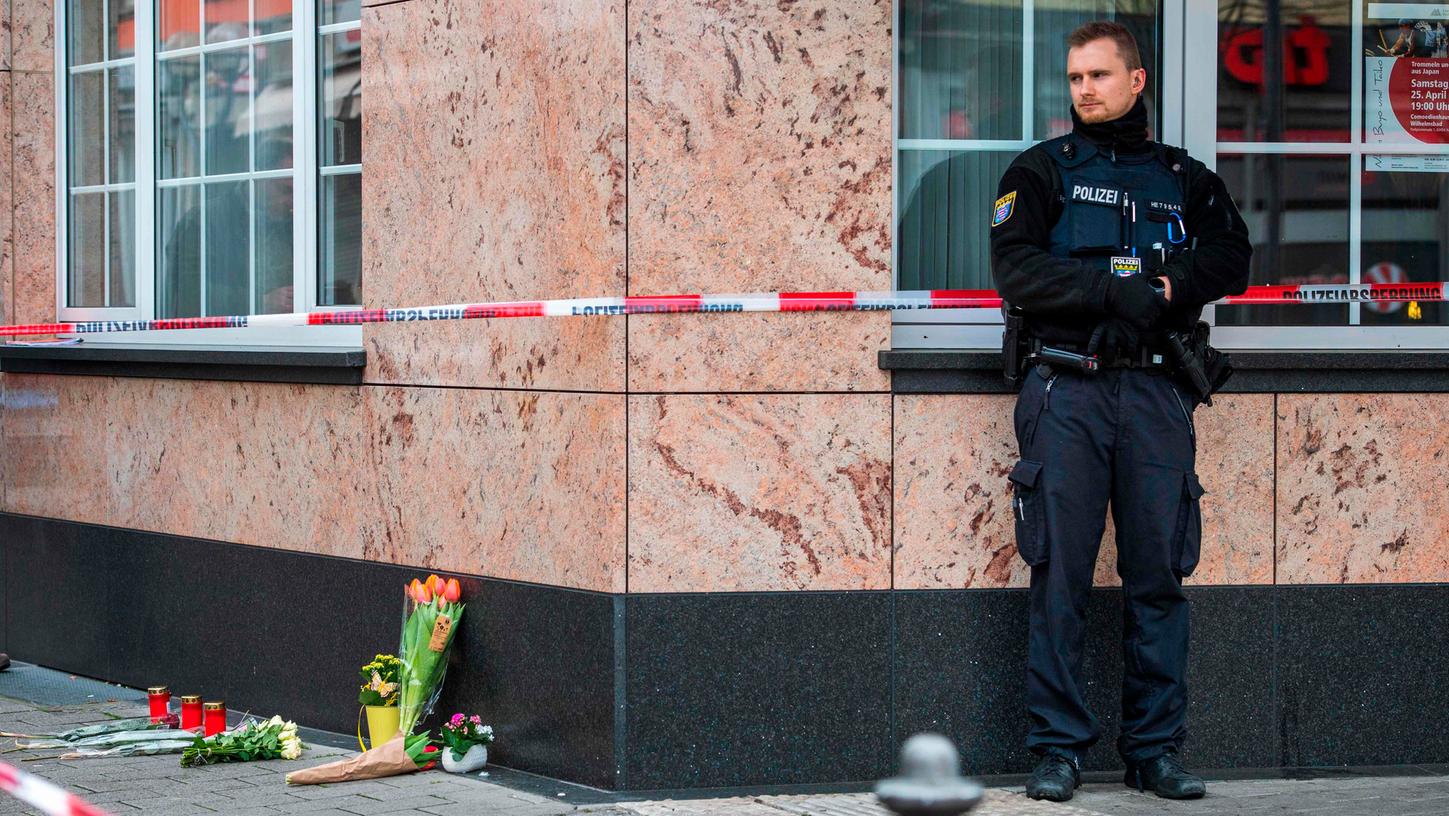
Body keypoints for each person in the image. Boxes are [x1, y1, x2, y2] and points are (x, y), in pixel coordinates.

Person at [989, 21, 1252, 802]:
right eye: (1074, 78)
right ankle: (1057, 750)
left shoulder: (1185, 177)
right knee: (1059, 575)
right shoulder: (1038, 171)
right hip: (1064, 390)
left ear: (1136, 82)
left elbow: (1230, 255)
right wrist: (1109, 292)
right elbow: (1016, 270)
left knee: (1158, 575)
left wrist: (1167, 290)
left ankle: (1154, 750)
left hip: (1154, 393)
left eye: (1099, 76)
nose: (1083, 90)